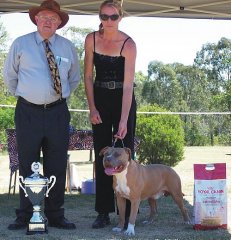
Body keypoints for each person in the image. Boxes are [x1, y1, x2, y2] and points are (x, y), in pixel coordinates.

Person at [3, 0, 80, 230]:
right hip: (28, 112)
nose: (48, 21)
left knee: (57, 164)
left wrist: (56, 97)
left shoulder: (67, 47)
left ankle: (56, 215)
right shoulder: (21, 44)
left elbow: (73, 79)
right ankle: (26, 215)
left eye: (53, 18)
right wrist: (29, 95)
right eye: (44, 17)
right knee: (28, 165)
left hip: (57, 113)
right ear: (36, 19)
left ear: (59, 23)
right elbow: (10, 77)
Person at [84, 0, 137, 229]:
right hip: (100, 98)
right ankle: (103, 212)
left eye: (113, 17)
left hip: (123, 100)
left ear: (120, 17)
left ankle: (126, 214)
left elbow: (128, 85)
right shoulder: (91, 39)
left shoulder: (129, 43)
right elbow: (87, 76)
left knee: (125, 155)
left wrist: (124, 119)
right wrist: (92, 107)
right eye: (104, 17)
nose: (108, 21)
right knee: (103, 155)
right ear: (100, 17)